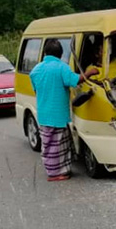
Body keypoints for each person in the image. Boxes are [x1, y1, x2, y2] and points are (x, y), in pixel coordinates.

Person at [30, 40, 99, 182]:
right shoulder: (62, 67)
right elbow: (75, 80)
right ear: (61, 54)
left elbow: (37, 90)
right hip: (58, 115)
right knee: (59, 146)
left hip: (43, 114)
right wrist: (89, 72)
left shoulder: (36, 70)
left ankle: (52, 171)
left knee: (48, 145)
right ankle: (56, 174)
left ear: (45, 53)